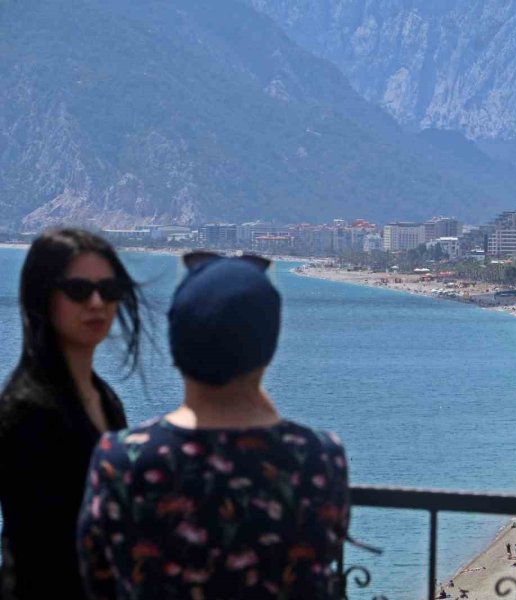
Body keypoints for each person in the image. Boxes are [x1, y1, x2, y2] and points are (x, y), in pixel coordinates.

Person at [77, 252, 349, 599]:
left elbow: (96, 581)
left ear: (177, 347)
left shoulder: (120, 459)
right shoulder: (320, 458)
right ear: (268, 348)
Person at [0, 229, 141, 599]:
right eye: (79, 291)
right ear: (43, 297)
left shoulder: (104, 398)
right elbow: (40, 550)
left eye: (109, 290)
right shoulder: (27, 411)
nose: (97, 303)